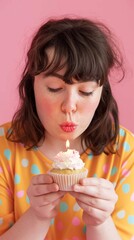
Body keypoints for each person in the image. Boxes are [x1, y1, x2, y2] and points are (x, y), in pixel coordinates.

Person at [0, 17, 134, 240]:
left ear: (102, 93)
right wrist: (37, 217)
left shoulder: (125, 152)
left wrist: (100, 223)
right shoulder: (4, 147)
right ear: (32, 85)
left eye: (86, 92)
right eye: (55, 88)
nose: (69, 107)